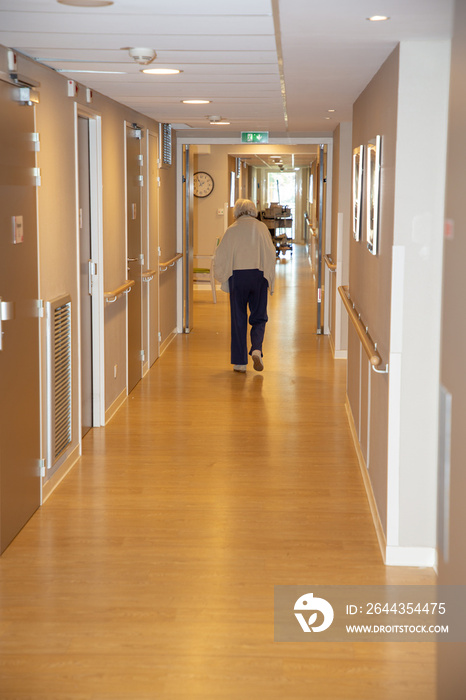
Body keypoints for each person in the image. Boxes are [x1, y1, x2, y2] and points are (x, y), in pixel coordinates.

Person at [214, 199, 276, 372]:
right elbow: (271, 254)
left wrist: (221, 274)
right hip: (259, 275)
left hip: (238, 277)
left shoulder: (232, 229)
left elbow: (220, 256)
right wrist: (269, 278)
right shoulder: (261, 228)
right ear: (253, 210)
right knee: (259, 316)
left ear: (237, 211)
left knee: (238, 318)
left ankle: (240, 362)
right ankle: (256, 348)